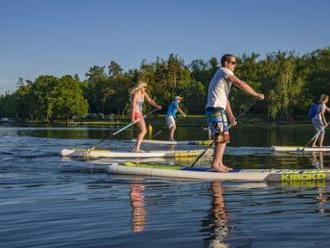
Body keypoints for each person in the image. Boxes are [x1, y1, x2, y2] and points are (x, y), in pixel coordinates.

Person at [206, 54, 264, 172]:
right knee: (221, 137)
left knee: (224, 137)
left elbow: (225, 99)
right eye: (233, 63)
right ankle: (215, 165)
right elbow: (240, 83)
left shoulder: (222, 77)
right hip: (215, 109)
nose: (235, 65)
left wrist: (231, 116)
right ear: (226, 63)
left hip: (218, 109)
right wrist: (256, 94)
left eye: (235, 63)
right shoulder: (224, 71)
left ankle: (219, 163)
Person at [130, 81, 162, 152]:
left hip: (140, 113)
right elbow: (133, 106)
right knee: (144, 130)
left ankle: (135, 148)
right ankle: (136, 148)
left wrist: (157, 106)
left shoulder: (144, 94)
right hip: (135, 113)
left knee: (143, 130)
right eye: (145, 87)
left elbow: (150, 101)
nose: (145, 88)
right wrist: (132, 117)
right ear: (141, 87)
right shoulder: (135, 95)